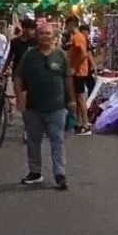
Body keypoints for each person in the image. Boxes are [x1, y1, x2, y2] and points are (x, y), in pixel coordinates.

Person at [15, 23, 74, 191]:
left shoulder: (60, 55)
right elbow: (18, 78)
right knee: (33, 141)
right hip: (33, 107)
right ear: (36, 36)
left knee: (57, 140)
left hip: (57, 107)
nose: (45, 36)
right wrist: (20, 100)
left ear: (54, 36)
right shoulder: (29, 55)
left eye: (48, 33)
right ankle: (35, 172)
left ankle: (60, 175)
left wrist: (71, 100)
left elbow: (68, 78)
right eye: (41, 33)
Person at [65, 16, 92, 135]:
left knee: (81, 99)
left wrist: (74, 67)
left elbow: (84, 54)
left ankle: (85, 124)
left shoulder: (78, 37)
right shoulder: (78, 37)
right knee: (78, 98)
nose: (66, 28)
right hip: (79, 72)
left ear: (71, 24)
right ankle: (81, 123)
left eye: (67, 25)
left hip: (79, 72)